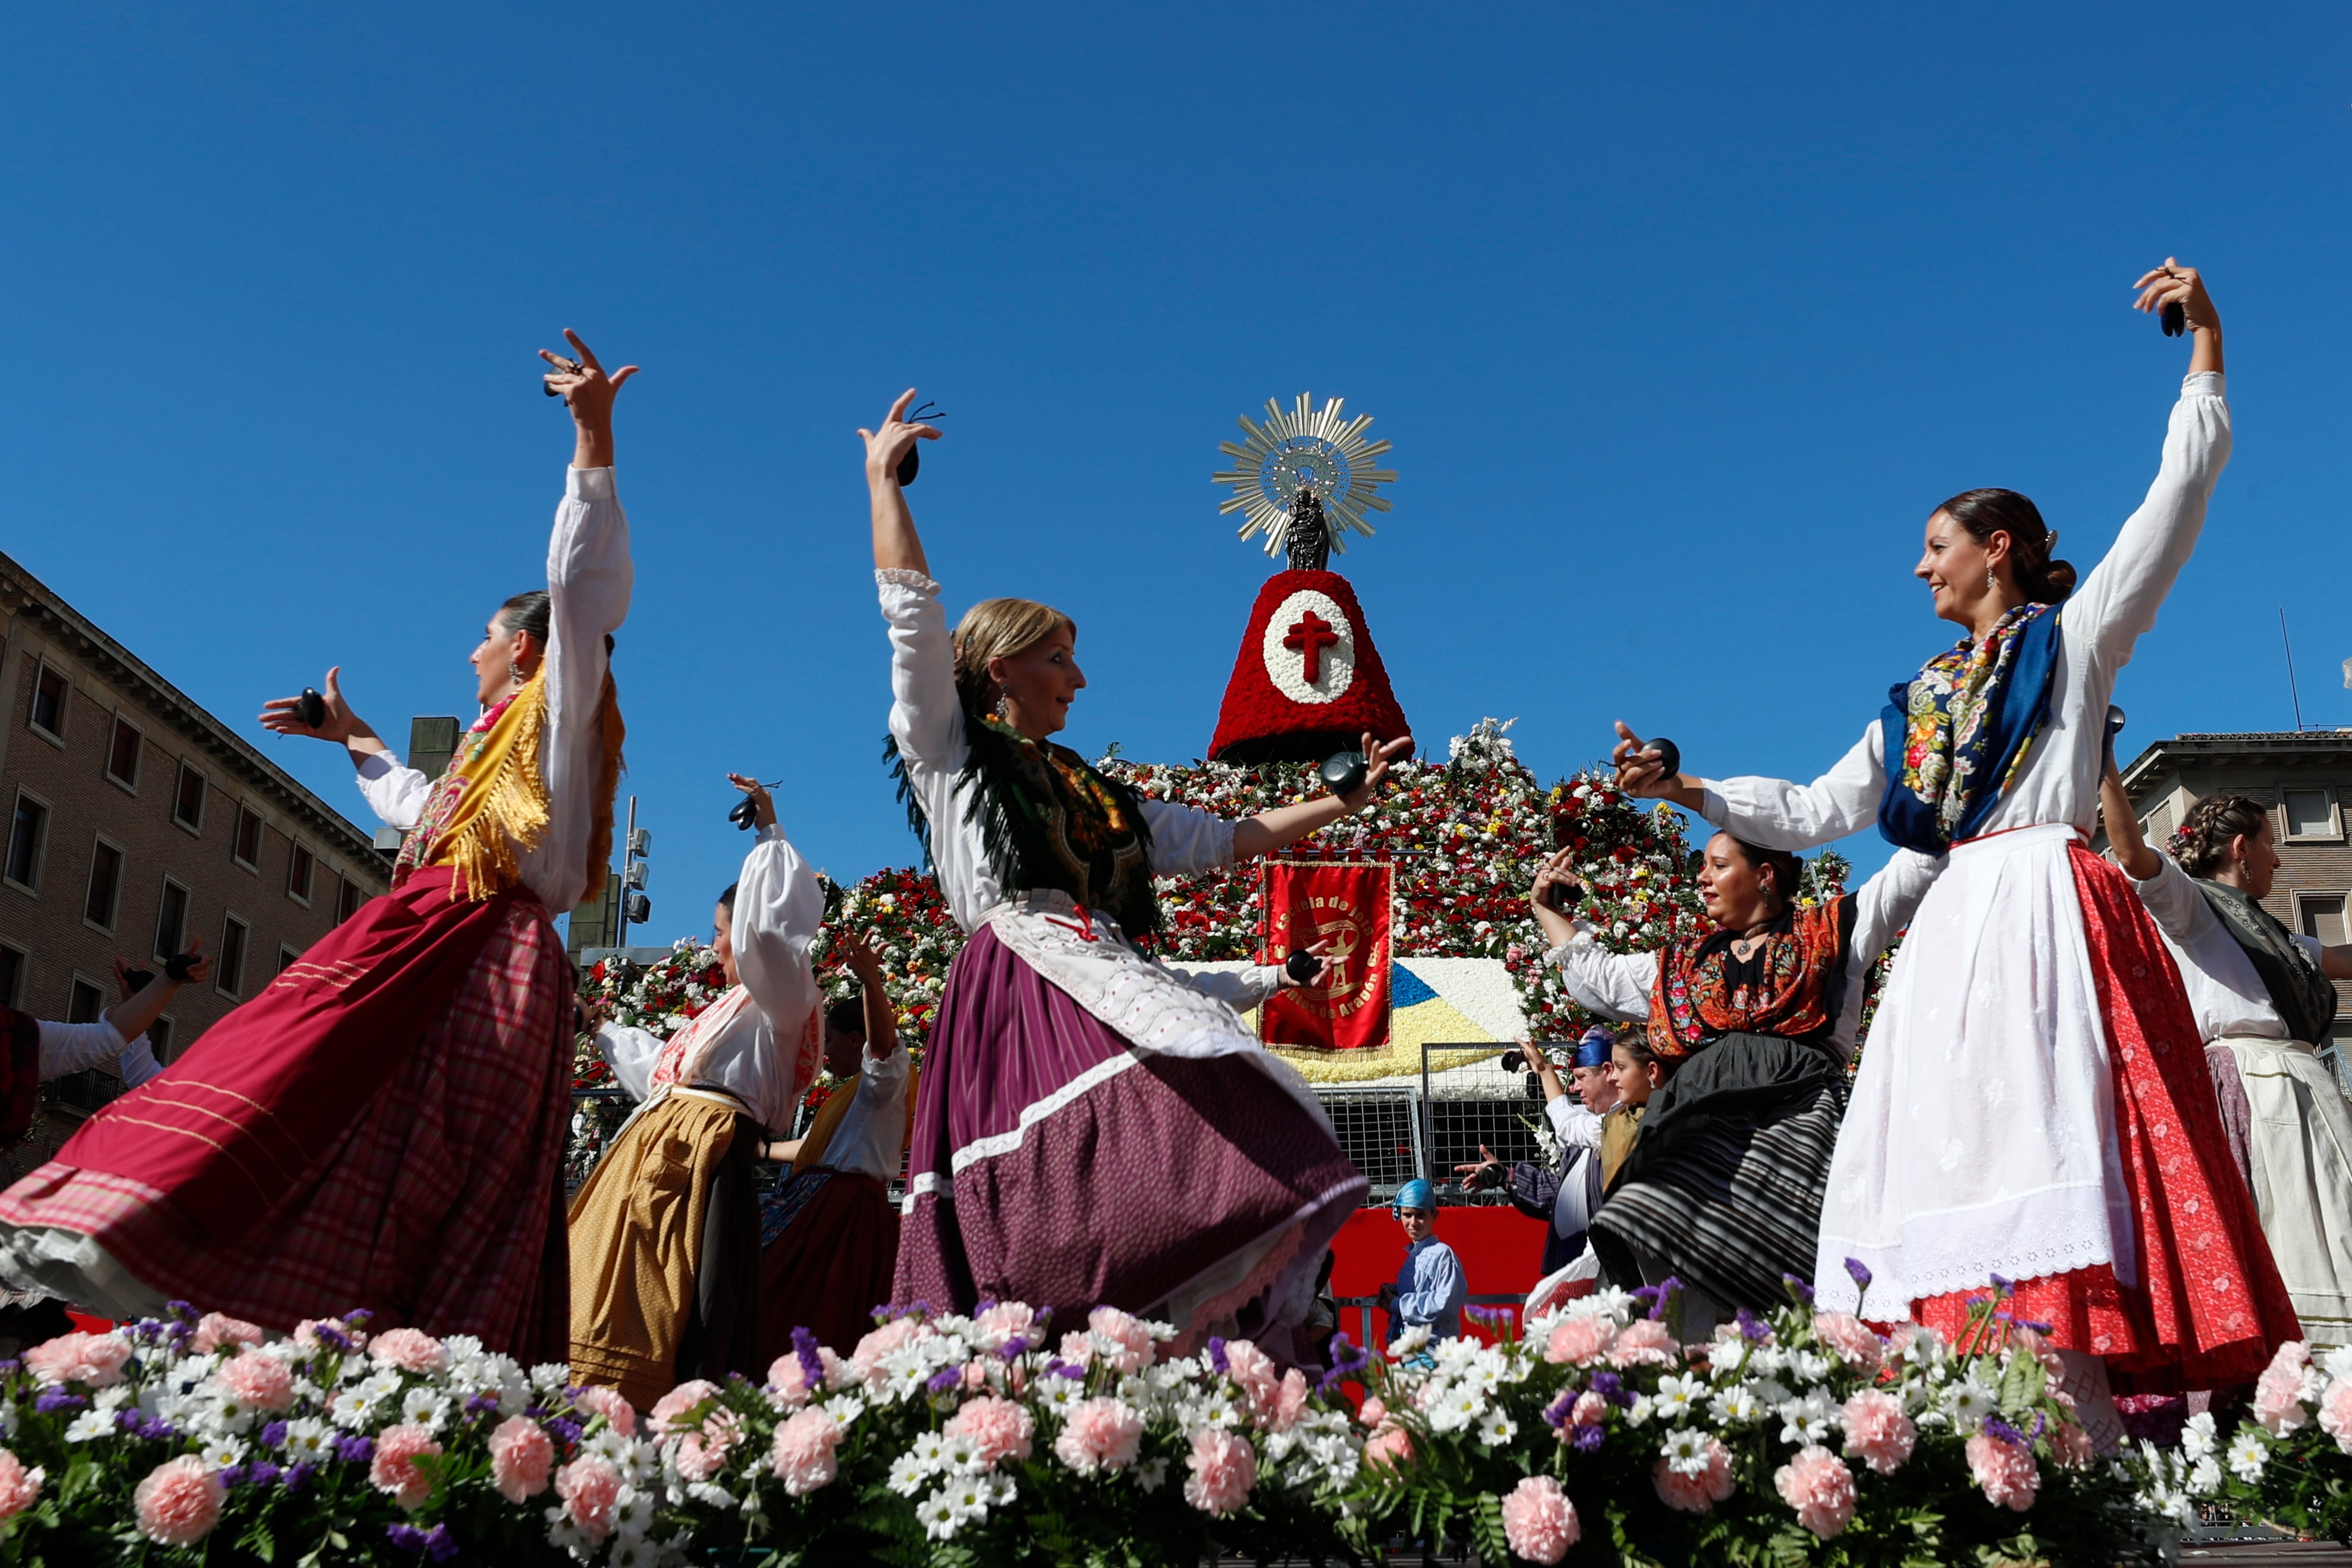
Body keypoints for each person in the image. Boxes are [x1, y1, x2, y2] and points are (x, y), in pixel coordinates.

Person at [1610, 262, 2295, 1423]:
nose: (1920, 566)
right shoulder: (1921, 697)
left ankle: (2066, 1428)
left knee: (2046, 1146)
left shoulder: (2072, 644)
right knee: (1948, 1163)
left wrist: (2206, 353)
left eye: (1938, 543)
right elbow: (1816, 808)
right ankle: (1975, 1433)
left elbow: (2176, 499)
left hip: (2043, 908)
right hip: (1949, 942)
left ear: (2004, 547)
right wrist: (1690, 788)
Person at [0, 332, 636, 1359]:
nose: (470, 649)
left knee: (371, 1131)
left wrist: (592, 446)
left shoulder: (563, 711)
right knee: (337, 1124)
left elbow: (583, 595)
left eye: (485, 634)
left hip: (476, 967)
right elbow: (423, 810)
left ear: (527, 645)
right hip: (437, 949)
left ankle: (405, 1361)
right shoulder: (495, 753)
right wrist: (358, 739)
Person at [862, 389, 1400, 1353]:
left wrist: (1343, 802)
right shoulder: (952, 755)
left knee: (1223, 1096)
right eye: (1059, 657)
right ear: (999, 669)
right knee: (1096, 1167)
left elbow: (1225, 839)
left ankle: (1163, 1350)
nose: (1078, 677)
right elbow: (913, 626)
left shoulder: (1097, 793)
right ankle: (1052, 1357)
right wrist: (882, 486)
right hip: (1021, 976)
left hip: (1094, 962)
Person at [1538, 832, 1939, 1333]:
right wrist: (1546, 909)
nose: (1701, 877)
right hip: (1694, 1134)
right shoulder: (1679, 963)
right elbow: (1600, 979)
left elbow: (1911, 872)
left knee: (1806, 1288)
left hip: (1802, 1134)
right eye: (1702, 866)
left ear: (1763, 875)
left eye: (1718, 865)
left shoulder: (1834, 929)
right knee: (1674, 1284)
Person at [569, 776, 824, 1409]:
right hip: (663, 1154)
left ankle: (677, 1402)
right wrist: (600, 1028)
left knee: (691, 1296)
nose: (713, 949)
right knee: (619, 1280)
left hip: (701, 1162)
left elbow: (774, 935)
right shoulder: (731, 1010)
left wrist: (770, 830)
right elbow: (665, 1075)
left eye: (719, 932)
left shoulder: (782, 1000)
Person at [2101, 761, 2352, 1349]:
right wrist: (2105, 763)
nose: (2279, 859)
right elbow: (2132, 856)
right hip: (2252, 1083)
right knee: (2283, 1225)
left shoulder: (2274, 934)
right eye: (2270, 844)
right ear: (2241, 848)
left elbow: (2343, 959)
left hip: (2298, 1083)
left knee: (2329, 1222)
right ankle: (2296, 1368)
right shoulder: (2193, 909)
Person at [759, 931, 914, 1357]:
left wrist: (871, 982)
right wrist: (759, 1151)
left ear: (853, 1040)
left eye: (830, 1040)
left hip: (844, 1216)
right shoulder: (851, 1096)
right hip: (819, 1202)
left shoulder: (881, 1086)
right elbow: (811, 1149)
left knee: (815, 1320)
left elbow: (883, 1052)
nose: (824, 1052)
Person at [1453, 1030, 1621, 1276]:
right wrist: (1504, 1176)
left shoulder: (1620, 1127)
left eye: (1581, 1077)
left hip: (1605, 1269)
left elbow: (1565, 1123)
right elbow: (1562, 1195)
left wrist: (1544, 1070)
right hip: (1570, 1263)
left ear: (1608, 1072)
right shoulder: (1586, 1128)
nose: (1574, 1088)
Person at [1377, 1179, 1465, 1356]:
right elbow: (1420, 1291)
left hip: (1435, 1354)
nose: (1413, 1222)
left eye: (1421, 1215)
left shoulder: (1443, 1254)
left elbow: (1444, 1305)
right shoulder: (1414, 1256)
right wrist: (1394, 1291)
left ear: (1435, 1216)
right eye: (1407, 1215)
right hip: (1413, 1350)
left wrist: (1397, 1304)